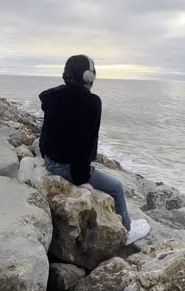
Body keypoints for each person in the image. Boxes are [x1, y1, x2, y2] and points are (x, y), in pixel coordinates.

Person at [39, 54, 150, 245]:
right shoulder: (91, 102)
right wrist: (82, 179)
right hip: (68, 167)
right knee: (116, 187)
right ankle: (128, 232)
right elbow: (85, 143)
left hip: (50, 160)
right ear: (88, 76)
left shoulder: (52, 96)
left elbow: (45, 133)